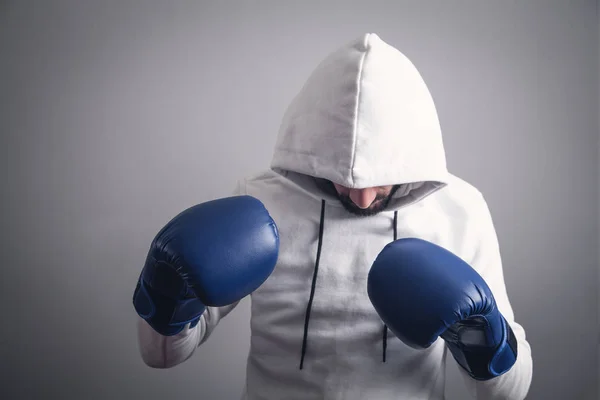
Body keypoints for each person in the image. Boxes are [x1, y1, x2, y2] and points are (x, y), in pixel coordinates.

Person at [132, 33, 533, 399]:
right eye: (340, 178)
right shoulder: (258, 201)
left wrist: (481, 336)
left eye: (382, 180)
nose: (361, 198)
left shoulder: (458, 211)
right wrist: (167, 291)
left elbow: (507, 395)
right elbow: (161, 356)